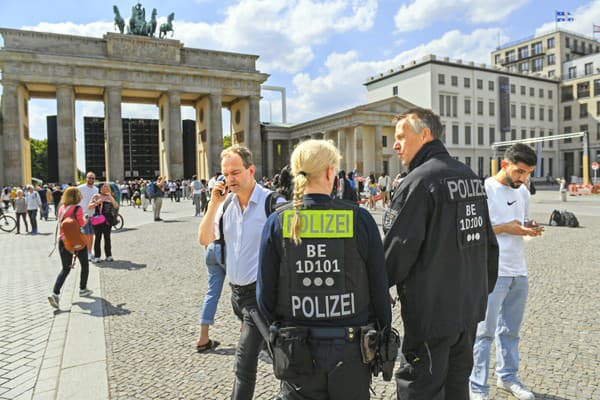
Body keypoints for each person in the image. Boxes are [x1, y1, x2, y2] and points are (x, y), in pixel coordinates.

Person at [257, 139, 392, 399]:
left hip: (297, 352)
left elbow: (265, 299)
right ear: (331, 173)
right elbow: (379, 289)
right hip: (351, 352)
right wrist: (382, 337)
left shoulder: (277, 222)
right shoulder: (360, 219)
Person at [382, 108, 499, 400]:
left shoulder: (419, 182)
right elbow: (489, 245)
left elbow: (396, 253)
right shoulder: (470, 176)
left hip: (432, 315)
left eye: (401, 136)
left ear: (425, 134)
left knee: (420, 388)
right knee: (457, 388)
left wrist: (374, 289)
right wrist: (478, 294)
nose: (395, 144)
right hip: (469, 311)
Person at [198, 146, 283, 399]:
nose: (230, 179)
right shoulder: (226, 207)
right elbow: (204, 238)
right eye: (225, 174)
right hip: (237, 296)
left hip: (260, 297)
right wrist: (213, 203)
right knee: (280, 353)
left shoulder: (273, 203)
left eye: (235, 172)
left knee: (244, 364)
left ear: (251, 170)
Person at [469, 144, 542, 400]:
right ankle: (477, 387)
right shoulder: (485, 189)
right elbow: (475, 232)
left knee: (510, 331)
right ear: (504, 164)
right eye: (520, 171)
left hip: (518, 270)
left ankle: (507, 378)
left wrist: (528, 227)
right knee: (483, 332)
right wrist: (506, 228)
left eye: (528, 173)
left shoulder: (523, 193)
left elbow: (519, 223)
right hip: (492, 270)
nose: (524, 178)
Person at [48, 187, 93, 309]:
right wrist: (86, 218)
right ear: (76, 196)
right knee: (84, 264)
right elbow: (82, 224)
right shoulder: (77, 208)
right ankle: (83, 288)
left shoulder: (61, 208)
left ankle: (55, 293)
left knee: (65, 269)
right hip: (77, 240)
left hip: (63, 241)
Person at [90, 182, 119, 263]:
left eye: (107, 187)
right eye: (104, 187)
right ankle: (97, 256)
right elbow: (89, 207)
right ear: (100, 188)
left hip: (107, 220)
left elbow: (116, 206)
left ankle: (108, 255)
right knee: (98, 238)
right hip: (98, 220)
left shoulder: (110, 196)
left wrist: (110, 197)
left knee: (107, 238)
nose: (106, 188)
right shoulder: (95, 196)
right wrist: (98, 202)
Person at [78, 172, 99, 261]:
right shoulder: (80, 188)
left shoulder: (96, 189)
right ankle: (86, 252)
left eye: (92, 178)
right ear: (86, 178)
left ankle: (89, 251)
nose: (91, 180)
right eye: (89, 178)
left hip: (93, 214)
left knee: (91, 234)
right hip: (83, 214)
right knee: (86, 234)